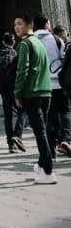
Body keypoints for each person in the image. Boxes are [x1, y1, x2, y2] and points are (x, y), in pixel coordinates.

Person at [14, 13, 55, 183]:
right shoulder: (40, 43)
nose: (16, 27)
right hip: (46, 92)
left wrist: (18, 93)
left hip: (32, 93)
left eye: (19, 23)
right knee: (43, 130)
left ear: (28, 25)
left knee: (40, 133)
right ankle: (41, 164)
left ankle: (48, 171)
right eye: (15, 24)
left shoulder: (25, 44)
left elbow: (22, 70)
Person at [33, 13, 71, 158]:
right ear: (47, 24)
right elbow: (64, 60)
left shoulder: (30, 41)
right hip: (58, 84)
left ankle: (51, 151)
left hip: (40, 87)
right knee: (65, 111)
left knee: (48, 118)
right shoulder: (56, 39)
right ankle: (65, 139)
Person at [0, 32, 26, 153]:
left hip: (3, 90)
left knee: (8, 117)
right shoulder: (14, 53)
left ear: (2, 42)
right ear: (14, 42)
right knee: (23, 111)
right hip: (14, 89)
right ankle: (17, 135)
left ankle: (10, 145)